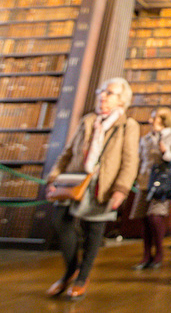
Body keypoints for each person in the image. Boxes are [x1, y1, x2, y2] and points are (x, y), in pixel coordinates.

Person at [45, 77, 140, 300]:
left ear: (122, 101)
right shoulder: (88, 120)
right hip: (75, 181)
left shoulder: (128, 126)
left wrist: (121, 190)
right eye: (102, 91)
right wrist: (54, 177)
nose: (102, 95)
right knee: (60, 222)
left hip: (102, 184)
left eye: (109, 93)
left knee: (93, 232)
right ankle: (71, 269)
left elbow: (130, 161)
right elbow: (68, 151)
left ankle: (81, 277)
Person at [130, 107, 171, 270]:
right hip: (144, 181)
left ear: (164, 120)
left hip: (162, 184)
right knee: (144, 219)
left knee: (155, 216)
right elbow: (139, 159)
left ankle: (159, 253)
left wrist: (166, 152)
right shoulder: (146, 138)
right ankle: (146, 255)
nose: (150, 121)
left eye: (154, 118)